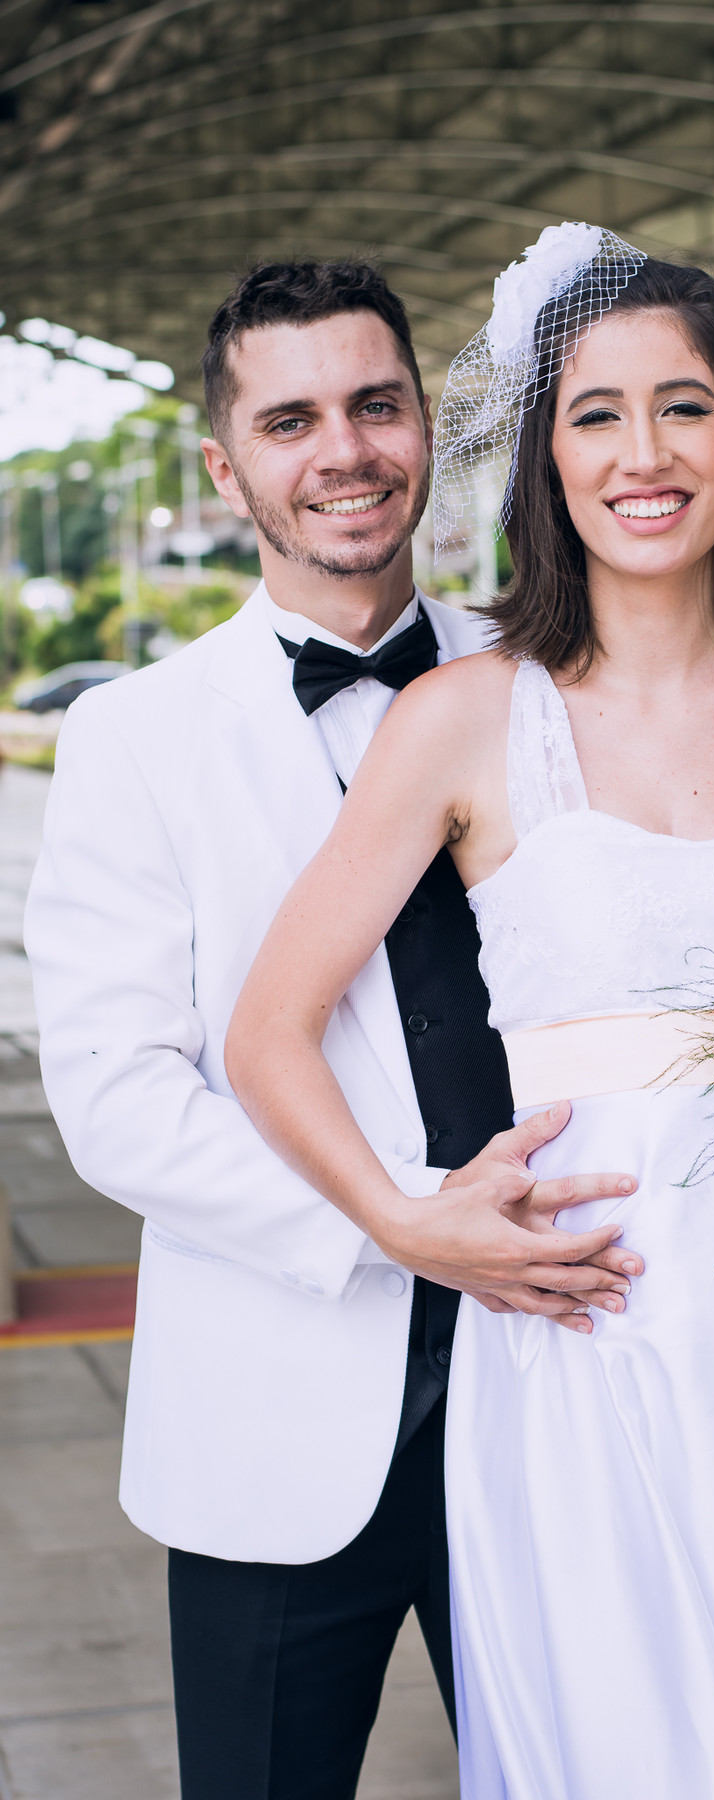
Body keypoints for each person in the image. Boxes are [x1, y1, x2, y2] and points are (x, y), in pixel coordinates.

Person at [225, 229, 714, 1798]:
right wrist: (407, 1220)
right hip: (584, 1324)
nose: (642, 455)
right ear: (542, 457)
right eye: (595, 415)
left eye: (684, 407)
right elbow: (266, 1031)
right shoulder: (462, 720)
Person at [24, 258, 643, 1800]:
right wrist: (405, 1227)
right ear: (229, 466)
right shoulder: (134, 738)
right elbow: (117, 1100)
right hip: (276, 1409)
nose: (345, 450)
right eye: (291, 419)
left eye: (375, 405)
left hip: (572, 1362)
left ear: (425, 425)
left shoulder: (562, 686)